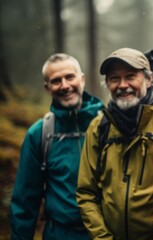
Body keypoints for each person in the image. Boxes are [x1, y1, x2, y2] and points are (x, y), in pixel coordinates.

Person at [76, 47, 153, 239]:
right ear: (107, 84)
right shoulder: (99, 127)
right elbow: (86, 192)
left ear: (149, 80)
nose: (123, 85)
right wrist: (102, 237)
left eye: (131, 76)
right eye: (114, 78)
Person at [10, 53, 104, 239]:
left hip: (104, 234)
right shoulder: (40, 134)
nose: (65, 86)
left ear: (82, 79)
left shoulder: (107, 125)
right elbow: (25, 202)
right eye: (56, 81)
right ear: (47, 87)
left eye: (70, 77)